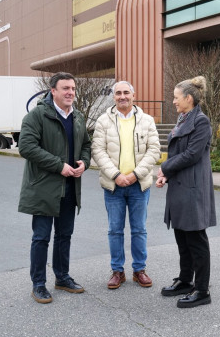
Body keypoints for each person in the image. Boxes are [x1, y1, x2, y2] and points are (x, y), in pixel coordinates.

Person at [17, 72, 92, 304]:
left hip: (70, 187)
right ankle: (38, 284)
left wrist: (84, 162)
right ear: (53, 91)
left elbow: (86, 146)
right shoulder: (37, 115)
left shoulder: (78, 117)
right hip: (43, 188)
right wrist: (59, 166)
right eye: (65, 88)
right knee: (41, 237)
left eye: (73, 88)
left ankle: (62, 277)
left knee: (64, 236)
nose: (70, 92)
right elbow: (26, 147)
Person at [91, 80, 161, 289]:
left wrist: (135, 175)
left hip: (138, 185)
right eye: (118, 93)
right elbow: (98, 151)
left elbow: (154, 150)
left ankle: (139, 270)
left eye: (126, 93)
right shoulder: (103, 121)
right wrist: (116, 175)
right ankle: (117, 271)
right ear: (113, 96)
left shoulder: (147, 120)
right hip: (113, 186)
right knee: (115, 230)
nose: (122, 96)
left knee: (139, 229)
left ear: (133, 95)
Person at [155, 76, 216, 309]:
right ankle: (185, 280)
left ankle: (201, 289)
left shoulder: (201, 122)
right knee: (182, 236)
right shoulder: (183, 119)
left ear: (189, 98)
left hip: (193, 189)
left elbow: (192, 154)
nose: (173, 101)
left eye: (176, 97)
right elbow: (178, 154)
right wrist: (166, 175)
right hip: (180, 186)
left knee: (196, 240)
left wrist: (164, 168)